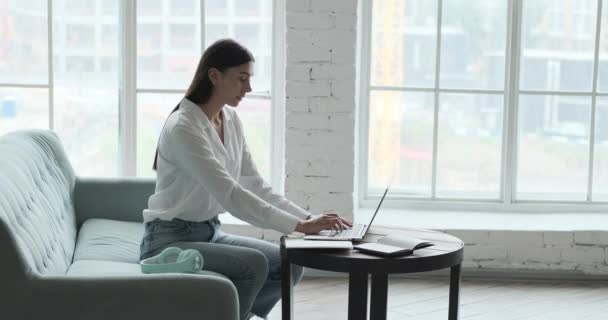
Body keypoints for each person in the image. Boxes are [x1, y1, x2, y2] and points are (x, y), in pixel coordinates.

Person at [139, 39, 353, 320]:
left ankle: (240, 315)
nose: (248, 89)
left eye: (249, 79)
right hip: (168, 239)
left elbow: (254, 184)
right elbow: (230, 194)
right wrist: (299, 226)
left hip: (209, 232)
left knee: (288, 262)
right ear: (214, 76)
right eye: (241, 79)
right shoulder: (183, 127)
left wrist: (310, 220)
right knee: (253, 264)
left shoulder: (229, 120)